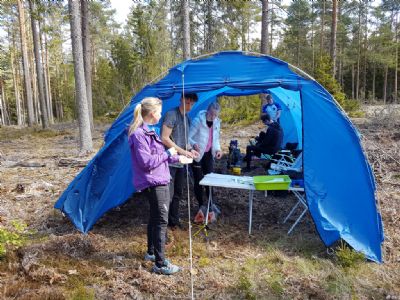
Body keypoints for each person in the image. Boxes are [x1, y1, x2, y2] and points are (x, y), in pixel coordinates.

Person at [128, 97, 189, 275]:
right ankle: (161, 264)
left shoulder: (149, 132)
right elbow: (147, 162)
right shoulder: (139, 135)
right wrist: (169, 152)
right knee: (161, 221)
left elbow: (160, 155)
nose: (161, 115)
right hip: (155, 182)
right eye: (160, 112)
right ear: (153, 113)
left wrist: (179, 158)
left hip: (159, 180)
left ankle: (152, 253)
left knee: (155, 219)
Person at [161, 93, 199, 229]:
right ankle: (162, 225)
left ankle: (174, 221)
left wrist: (191, 149)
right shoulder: (172, 114)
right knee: (167, 196)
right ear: (181, 99)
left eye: (191, 103)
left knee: (178, 193)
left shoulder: (187, 118)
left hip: (181, 163)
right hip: (169, 162)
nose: (189, 105)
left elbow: (185, 141)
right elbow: (165, 138)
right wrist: (184, 152)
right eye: (187, 102)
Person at [188, 102, 222, 209]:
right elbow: (188, 137)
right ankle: (201, 205)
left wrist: (218, 150)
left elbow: (215, 139)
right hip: (197, 154)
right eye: (212, 114)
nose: (213, 117)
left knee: (210, 180)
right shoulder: (198, 121)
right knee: (199, 180)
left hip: (208, 154)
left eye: (216, 115)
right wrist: (194, 144)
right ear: (207, 111)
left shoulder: (217, 122)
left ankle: (211, 203)